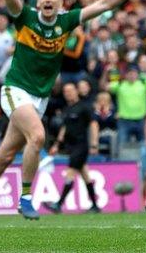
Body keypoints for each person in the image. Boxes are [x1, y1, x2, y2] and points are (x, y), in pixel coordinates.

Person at [0, 0, 146, 222]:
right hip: (16, 90)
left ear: (60, 3)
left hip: (39, 97)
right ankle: (25, 197)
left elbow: (103, 5)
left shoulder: (66, 21)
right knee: (37, 137)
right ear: (39, 0)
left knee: (5, 156)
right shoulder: (26, 17)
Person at [43, 83, 101, 214]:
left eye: (70, 91)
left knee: (70, 173)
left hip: (81, 145)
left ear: (76, 91)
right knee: (85, 175)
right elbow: (64, 127)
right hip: (71, 146)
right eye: (65, 91)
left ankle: (58, 204)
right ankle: (95, 206)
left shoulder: (84, 107)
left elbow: (93, 124)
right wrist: (57, 144)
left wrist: (94, 144)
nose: (67, 93)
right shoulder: (67, 109)